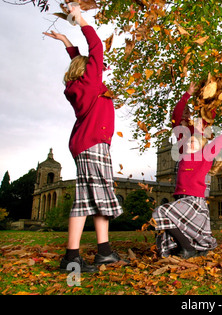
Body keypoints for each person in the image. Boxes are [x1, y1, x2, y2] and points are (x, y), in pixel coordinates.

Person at [44, 3, 125, 272]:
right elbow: (96, 49)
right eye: (96, 67)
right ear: (87, 69)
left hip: (85, 143)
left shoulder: (78, 86)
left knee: (91, 199)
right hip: (92, 144)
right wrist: (79, 20)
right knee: (91, 200)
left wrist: (67, 41)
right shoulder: (91, 83)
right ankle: (74, 256)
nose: (101, 68)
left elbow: (81, 59)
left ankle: (100, 253)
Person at [153, 111, 222, 258]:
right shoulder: (183, 157)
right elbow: (178, 119)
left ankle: (188, 248)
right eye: (188, 141)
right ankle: (188, 246)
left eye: (193, 142)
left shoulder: (205, 155)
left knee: (160, 212)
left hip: (194, 201)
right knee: (166, 229)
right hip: (180, 200)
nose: (189, 143)